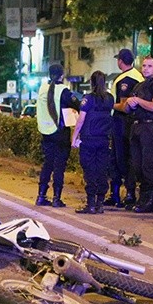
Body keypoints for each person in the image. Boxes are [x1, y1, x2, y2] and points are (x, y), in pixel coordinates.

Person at [124, 56, 153, 213]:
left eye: (149, 66)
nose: (146, 68)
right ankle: (142, 198)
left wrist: (138, 101)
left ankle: (150, 200)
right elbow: (129, 108)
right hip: (136, 127)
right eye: (144, 65)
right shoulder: (139, 86)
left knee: (149, 164)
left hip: (149, 127)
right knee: (137, 165)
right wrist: (129, 103)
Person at [35, 63, 79, 207]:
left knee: (47, 164)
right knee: (59, 166)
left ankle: (41, 195)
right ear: (62, 75)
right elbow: (78, 104)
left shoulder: (42, 89)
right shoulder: (63, 91)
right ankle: (56, 198)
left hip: (45, 133)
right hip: (60, 133)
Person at [104, 48, 144, 209]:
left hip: (122, 123)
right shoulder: (139, 76)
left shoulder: (125, 80)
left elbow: (125, 106)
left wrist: (109, 104)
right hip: (134, 123)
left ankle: (122, 194)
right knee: (128, 158)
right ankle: (122, 193)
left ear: (120, 61)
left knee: (119, 158)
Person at [71, 71, 115, 214]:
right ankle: (100, 204)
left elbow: (81, 120)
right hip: (103, 140)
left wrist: (74, 137)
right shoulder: (110, 99)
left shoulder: (88, 99)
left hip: (89, 140)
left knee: (90, 171)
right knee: (102, 171)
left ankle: (90, 204)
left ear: (92, 82)